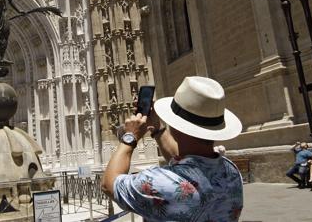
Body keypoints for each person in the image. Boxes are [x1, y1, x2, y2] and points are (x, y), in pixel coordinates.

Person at [101, 76, 244, 221]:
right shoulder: (231, 171)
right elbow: (187, 164)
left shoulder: (160, 183)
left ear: (176, 127)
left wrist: (130, 137)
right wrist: (157, 130)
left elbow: (109, 184)